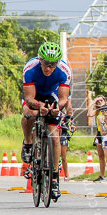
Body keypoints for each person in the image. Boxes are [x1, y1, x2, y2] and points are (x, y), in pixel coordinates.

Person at [21, 42, 71, 199]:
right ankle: (28, 143)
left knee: (55, 136)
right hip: (34, 94)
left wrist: (57, 107)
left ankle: (55, 177)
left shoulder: (64, 71)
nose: (48, 68)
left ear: (57, 63)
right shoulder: (30, 68)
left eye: (52, 64)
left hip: (52, 95)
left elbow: (64, 99)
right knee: (28, 113)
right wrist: (38, 106)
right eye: (45, 64)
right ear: (40, 60)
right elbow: (29, 98)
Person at [88, 95, 107, 181]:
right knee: (101, 155)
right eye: (98, 101)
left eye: (101, 100)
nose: (99, 102)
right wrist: (93, 103)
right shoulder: (97, 111)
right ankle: (103, 175)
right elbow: (89, 114)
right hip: (100, 133)